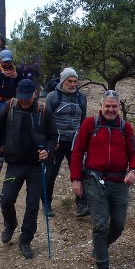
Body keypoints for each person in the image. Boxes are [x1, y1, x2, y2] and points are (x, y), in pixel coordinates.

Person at [70, 90, 135, 269]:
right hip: (95, 180)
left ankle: (100, 246)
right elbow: (77, 152)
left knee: (118, 225)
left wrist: (133, 171)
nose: (110, 109)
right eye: (107, 106)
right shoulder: (90, 125)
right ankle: (103, 267)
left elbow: (134, 152)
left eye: (114, 106)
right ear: (100, 106)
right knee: (100, 225)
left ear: (119, 108)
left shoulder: (125, 128)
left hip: (120, 183)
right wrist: (76, 179)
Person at [0, 79, 58, 260]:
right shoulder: (9, 106)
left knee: (33, 205)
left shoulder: (43, 111)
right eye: (22, 98)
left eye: (27, 98)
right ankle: (10, 224)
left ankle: (25, 240)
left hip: (36, 165)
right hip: (14, 163)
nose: (24, 101)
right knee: (6, 199)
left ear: (34, 94)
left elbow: (53, 137)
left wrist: (48, 151)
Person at [43, 67, 88, 218]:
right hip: (56, 142)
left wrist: (83, 140)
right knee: (50, 174)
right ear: (63, 81)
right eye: (69, 81)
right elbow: (45, 121)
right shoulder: (52, 97)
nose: (72, 84)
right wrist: (47, 142)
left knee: (79, 172)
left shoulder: (82, 98)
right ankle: (46, 203)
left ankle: (82, 204)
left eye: (75, 81)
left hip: (75, 142)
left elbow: (83, 121)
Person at [0, 48, 32, 121]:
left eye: (9, 61)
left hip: (13, 101)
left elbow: (24, 84)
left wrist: (17, 77)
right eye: (5, 61)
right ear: (0, 60)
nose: (7, 63)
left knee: (11, 122)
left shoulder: (16, 70)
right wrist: (2, 75)